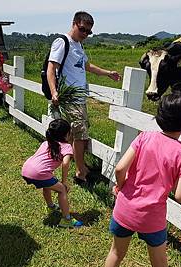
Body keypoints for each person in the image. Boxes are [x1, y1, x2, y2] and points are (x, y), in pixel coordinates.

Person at [94, 92, 181, 267]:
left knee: (116, 253)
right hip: (152, 218)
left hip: (125, 209)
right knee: (160, 266)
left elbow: (120, 168)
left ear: (159, 116)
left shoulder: (145, 137)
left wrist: (121, 185)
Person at [46, 11, 121, 184]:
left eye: (89, 32)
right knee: (80, 134)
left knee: (76, 133)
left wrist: (108, 73)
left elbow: (86, 66)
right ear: (74, 24)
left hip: (79, 98)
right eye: (82, 29)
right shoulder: (62, 42)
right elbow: (51, 68)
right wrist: (54, 91)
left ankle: (81, 165)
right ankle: (80, 172)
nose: (85, 34)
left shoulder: (78, 45)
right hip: (70, 97)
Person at [22, 119, 83, 228]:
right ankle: (66, 220)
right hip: (39, 173)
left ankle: (51, 207)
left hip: (26, 169)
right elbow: (65, 163)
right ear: (67, 134)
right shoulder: (66, 146)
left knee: (47, 185)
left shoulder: (46, 143)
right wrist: (64, 182)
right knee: (62, 189)